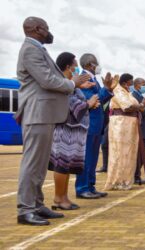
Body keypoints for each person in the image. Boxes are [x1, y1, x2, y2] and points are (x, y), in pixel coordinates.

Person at [16, 17, 90, 226]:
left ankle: (37, 205)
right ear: (37, 29)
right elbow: (47, 79)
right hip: (37, 113)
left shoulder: (38, 49)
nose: (49, 32)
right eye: (46, 28)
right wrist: (71, 83)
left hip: (46, 114)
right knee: (32, 164)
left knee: (39, 166)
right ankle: (26, 209)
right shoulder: (30, 49)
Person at [48, 52, 100, 210]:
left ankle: (64, 197)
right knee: (61, 165)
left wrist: (81, 92)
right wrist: (89, 104)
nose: (77, 69)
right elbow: (70, 104)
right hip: (65, 130)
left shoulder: (70, 84)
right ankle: (58, 198)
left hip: (74, 132)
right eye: (75, 66)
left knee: (68, 165)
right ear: (67, 67)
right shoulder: (62, 84)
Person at [75, 53, 116, 199]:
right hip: (88, 123)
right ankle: (82, 188)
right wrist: (105, 89)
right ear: (89, 64)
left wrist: (108, 89)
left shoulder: (94, 79)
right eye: (96, 63)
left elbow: (100, 100)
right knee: (86, 157)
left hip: (96, 124)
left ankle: (90, 186)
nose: (98, 66)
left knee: (92, 158)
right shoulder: (84, 78)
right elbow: (89, 100)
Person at [104, 74, 145, 190]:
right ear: (125, 82)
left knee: (129, 153)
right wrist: (143, 104)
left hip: (130, 125)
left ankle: (125, 180)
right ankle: (116, 181)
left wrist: (144, 105)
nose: (132, 83)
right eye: (131, 81)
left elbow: (137, 107)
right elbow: (128, 107)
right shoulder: (118, 91)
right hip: (120, 124)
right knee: (119, 153)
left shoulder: (127, 92)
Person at [96, 101, 110, 173]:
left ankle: (106, 166)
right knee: (105, 145)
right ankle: (106, 166)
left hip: (113, 123)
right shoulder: (105, 100)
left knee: (105, 144)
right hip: (106, 124)